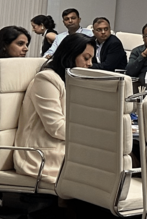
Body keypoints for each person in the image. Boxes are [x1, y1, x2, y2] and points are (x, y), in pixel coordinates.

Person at [14, 33, 95, 182]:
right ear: (70, 55)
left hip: (62, 147)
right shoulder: (46, 79)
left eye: (92, 59)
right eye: (86, 58)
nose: (90, 64)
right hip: (40, 155)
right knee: (108, 163)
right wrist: (92, 134)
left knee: (118, 159)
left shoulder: (71, 80)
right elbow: (56, 127)